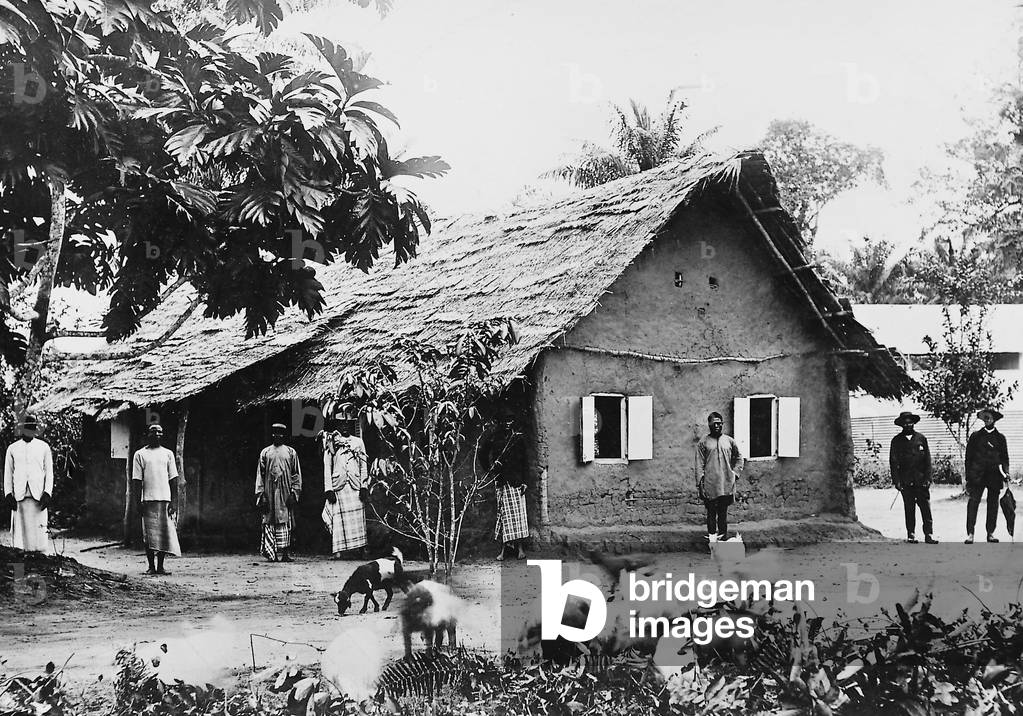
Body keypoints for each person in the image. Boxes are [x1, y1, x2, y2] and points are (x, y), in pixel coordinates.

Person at [131, 424, 182, 574]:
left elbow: (173, 479)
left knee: (163, 535)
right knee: (149, 535)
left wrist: (173, 501)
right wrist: (137, 502)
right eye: (154, 432)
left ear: (163, 435)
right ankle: (151, 567)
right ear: (148, 434)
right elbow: (136, 480)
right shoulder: (140, 454)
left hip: (164, 499)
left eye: (160, 432)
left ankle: (160, 566)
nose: (157, 435)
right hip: (147, 500)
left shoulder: (168, 454)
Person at [3, 414, 54, 553]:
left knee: (39, 540)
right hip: (19, 499)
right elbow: (8, 474)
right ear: (22, 428)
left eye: (33, 426)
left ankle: (38, 570)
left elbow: (49, 473)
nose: (30, 429)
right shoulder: (12, 448)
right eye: (27, 426)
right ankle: (19, 573)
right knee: (19, 541)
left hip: (38, 498)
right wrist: (8, 494)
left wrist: (47, 493)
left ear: (36, 428)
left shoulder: (44, 447)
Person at [321, 417, 369, 559]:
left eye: (347, 424)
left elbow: (363, 464)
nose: (345, 426)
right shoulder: (331, 442)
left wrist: (364, 486)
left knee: (358, 518)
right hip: (339, 485)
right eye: (341, 424)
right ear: (337, 426)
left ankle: (362, 549)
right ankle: (338, 552)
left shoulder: (358, 442)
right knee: (338, 519)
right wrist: (329, 489)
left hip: (355, 484)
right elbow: (327, 466)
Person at [256, 423, 303, 562]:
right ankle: (272, 554)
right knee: (269, 521)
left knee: (286, 522)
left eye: (281, 433)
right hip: (269, 493)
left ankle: (286, 554)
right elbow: (260, 474)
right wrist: (261, 494)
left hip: (285, 493)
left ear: (285, 435)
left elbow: (296, 474)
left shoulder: (291, 452)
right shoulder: (265, 452)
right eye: (276, 433)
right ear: (272, 435)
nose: (278, 436)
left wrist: (294, 493)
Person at [889, 411, 937, 544]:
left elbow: (927, 461)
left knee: (925, 508)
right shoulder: (896, 441)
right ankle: (911, 534)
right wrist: (897, 481)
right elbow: (893, 462)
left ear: (914, 423)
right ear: (901, 425)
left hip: (921, 481)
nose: (908, 424)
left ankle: (929, 534)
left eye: (910, 422)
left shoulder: (921, 438)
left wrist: (928, 479)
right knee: (909, 508)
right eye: (905, 422)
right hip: (906, 481)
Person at [696, 411, 744, 541]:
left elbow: (739, 458)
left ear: (722, 424)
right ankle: (712, 544)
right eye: (714, 423)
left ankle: (723, 542)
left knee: (722, 514)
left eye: (719, 423)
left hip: (726, 484)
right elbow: (699, 463)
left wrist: (735, 474)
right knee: (711, 514)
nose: (717, 426)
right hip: (710, 484)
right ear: (709, 425)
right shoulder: (703, 442)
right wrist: (700, 483)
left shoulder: (729, 441)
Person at [965, 408, 1010, 544]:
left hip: (994, 476)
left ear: (994, 420)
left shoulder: (1000, 438)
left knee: (993, 505)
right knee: (973, 503)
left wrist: (1006, 472)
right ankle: (970, 533)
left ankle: (990, 533)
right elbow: (969, 458)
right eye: (985, 417)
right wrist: (968, 476)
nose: (987, 420)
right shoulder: (975, 436)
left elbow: (1005, 458)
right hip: (977, 475)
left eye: (990, 417)